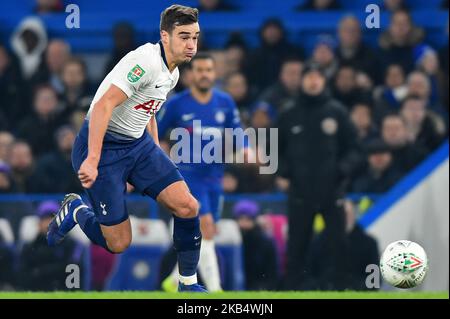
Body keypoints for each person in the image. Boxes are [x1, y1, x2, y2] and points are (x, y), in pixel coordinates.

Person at [46, 5, 207, 292]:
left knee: (187, 206)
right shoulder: (144, 61)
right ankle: (76, 208)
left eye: (195, 37)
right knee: (119, 243)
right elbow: (102, 106)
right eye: (184, 36)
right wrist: (93, 159)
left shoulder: (174, 72)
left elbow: (147, 111)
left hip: (137, 145)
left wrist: (154, 153)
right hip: (103, 146)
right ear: (165, 36)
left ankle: (188, 284)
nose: (191, 44)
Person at [157, 52, 250, 292]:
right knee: (204, 227)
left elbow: (236, 130)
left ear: (215, 73)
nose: (204, 75)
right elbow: (155, 131)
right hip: (187, 176)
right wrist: (158, 155)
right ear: (190, 75)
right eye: (199, 70)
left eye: (209, 70)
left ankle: (173, 279)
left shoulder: (225, 102)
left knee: (207, 234)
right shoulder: (177, 104)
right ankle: (215, 290)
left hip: (214, 176)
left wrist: (246, 149)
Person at [276, 63, 361, 290]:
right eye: (309, 77)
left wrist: (342, 170)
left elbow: (354, 148)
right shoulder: (288, 112)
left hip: (332, 190)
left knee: (338, 244)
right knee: (297, 245)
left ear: (324, 81)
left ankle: (340, 288)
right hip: (300, 191)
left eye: (317, 77)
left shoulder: (337, 111)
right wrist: (283, 172)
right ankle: (293, 289)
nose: (313, 81)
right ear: (302, 81)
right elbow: (271, 147)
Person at [18, 201, 79, 291]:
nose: (50, 223)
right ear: (38, 224)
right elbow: (24, 278)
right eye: (45, 219)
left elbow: (74, 277)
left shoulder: (71, 245)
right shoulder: (29, 247)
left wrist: (41, 271)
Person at [233, 200, 279, 290]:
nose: (243, 223)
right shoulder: (233, 241)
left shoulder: (265, 242)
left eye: (248, 219)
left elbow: (272, 273)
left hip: (258, 286)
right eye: (240, 219)